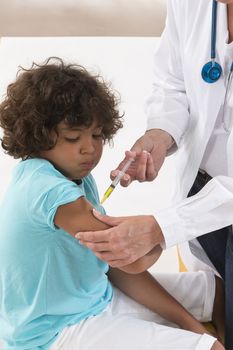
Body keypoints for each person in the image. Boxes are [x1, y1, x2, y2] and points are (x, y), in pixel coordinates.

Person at [0, 56, 224, 350]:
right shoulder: (50, 191)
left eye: (96, 135)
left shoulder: (72, 175)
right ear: (38, 135)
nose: (89, 149)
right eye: (72, 137)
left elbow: (115, 268)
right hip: (56, 330)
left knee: (217, 291)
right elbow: (132, 262)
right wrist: (160, 231)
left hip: (95, 295)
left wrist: (191, 326)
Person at [75, 1, 233, 349]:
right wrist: (159, 136)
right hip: (198, 195)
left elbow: (128, 264)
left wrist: (160, 229)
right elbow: (173, 84)